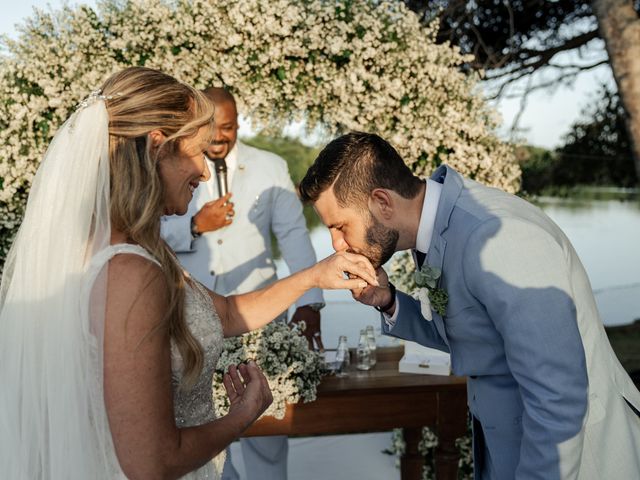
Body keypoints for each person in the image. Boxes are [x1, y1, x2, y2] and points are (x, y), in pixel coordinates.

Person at [0, 68, 377, 480]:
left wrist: (314, 276)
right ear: (159, 147)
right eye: (197, 151)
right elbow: (152, 462)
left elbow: (228, 314)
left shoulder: (125, 247)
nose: (203, 170)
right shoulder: (131, 272)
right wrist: (244, 414)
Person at [299, 132, 640, 479]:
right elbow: (472, 334)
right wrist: (387, 302)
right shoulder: (438, 230)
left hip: (575, 462)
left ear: (382, 202)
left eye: (340, 226)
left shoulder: (499, 238)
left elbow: (558, 395)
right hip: (507, 447)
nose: (336, 244)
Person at [161, 87, 323, 480]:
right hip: (194, 324)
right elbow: (147, 234)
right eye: (211, 129)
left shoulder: (269, 166)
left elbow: (294, 235)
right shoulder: (176, 165)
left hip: (260, 318)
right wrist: (195, 226)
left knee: (268, 432)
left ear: (239, 123)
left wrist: (310, 302)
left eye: (229, 128)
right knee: (202, 429)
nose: (219, 137)